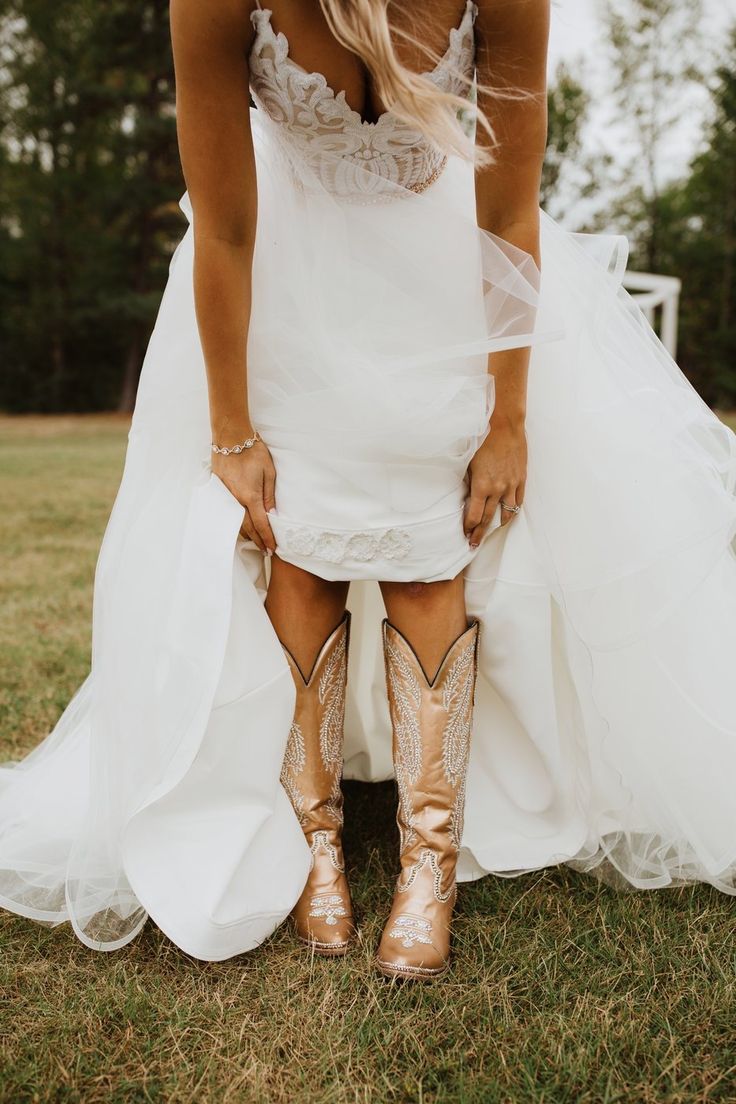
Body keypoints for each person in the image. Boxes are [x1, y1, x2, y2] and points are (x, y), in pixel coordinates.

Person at [1, 0, 735, 981]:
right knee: (296, 554)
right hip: (281, 292)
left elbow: (509, 214)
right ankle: (315, 845)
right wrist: (233, 429)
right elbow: (220, 227)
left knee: (433, 554)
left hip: (444, 291)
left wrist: (506, 417)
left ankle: (427, 863)